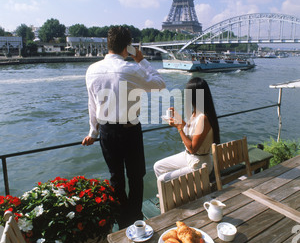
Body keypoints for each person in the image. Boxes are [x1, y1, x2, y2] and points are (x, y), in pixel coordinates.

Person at [82, 26, 166, 229]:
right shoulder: (132, 68)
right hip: (130, 129)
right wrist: (140, 59)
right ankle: (135, 218)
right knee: (136, 176)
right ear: (127, 46)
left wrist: (93, 132)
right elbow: (160, 84)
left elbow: (92, 106)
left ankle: (123, 220)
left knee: (116, 179)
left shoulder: (92, 70)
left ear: (108, 44)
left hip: (107, 132)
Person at [154, 77, 220, 180]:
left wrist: (179, 128)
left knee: (162, 179)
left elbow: (193, 149)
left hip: (200, 164)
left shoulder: (203, 118)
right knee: (158, 166)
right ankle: (173, 193)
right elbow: (191, 130)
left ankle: (171, 194)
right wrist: (178, 120)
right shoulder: (196, 113)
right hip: (189, 157)